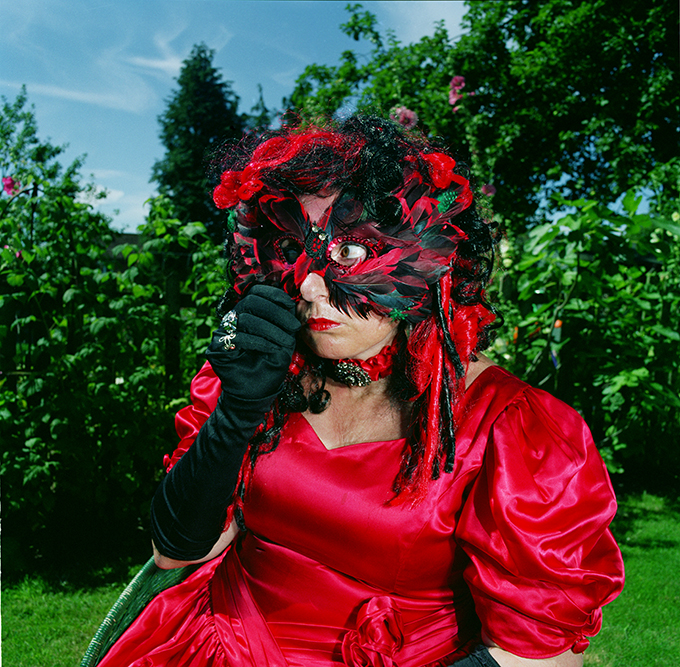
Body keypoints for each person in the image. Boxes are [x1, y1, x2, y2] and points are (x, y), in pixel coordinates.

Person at [98, 115, 624, 667]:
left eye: (348, 254)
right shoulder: (269, 372)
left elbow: (539, 653)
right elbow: (176, 550)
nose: (309, 285)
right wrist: (237, 412)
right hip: (219, 644)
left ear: (429, 261)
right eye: (294, 250)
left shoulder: (509, 427)